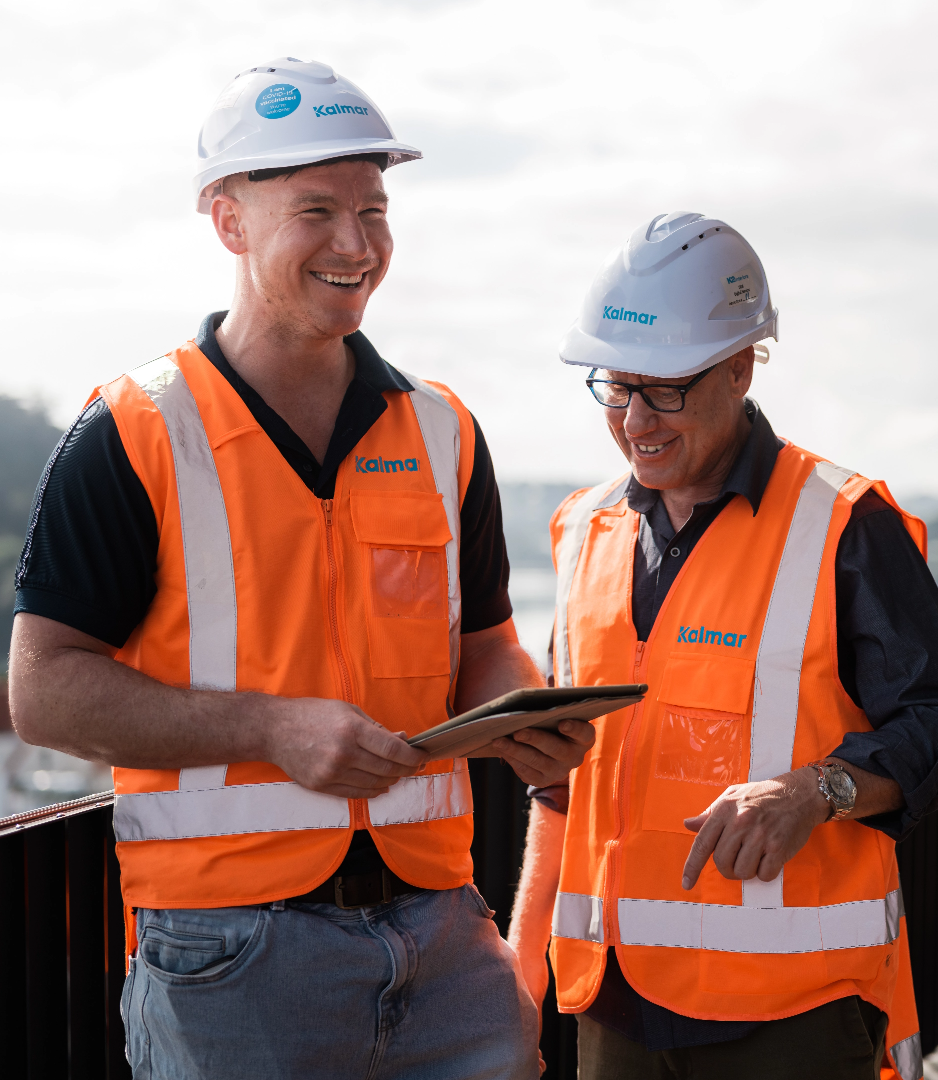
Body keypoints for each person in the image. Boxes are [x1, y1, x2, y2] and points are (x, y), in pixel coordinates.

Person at [8, 57, 595, 1080]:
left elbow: (485, 646)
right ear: (228, 222)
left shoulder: (445, 431)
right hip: (229, 956)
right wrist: (270, 728)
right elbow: (43, 692)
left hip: (445, 936)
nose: (356, 245)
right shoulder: (133, 431)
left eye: (373, 212)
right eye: (317, 211)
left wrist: (521, 716)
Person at [506, 211, 935, 1080]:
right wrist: (518, 970)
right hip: (611, 1010)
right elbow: (563, 790)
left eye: (665, 389)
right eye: (616, 388)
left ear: (741, 368)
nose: (636, 421)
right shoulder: (583, 531)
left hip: (793, 1018)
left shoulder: (844, 525)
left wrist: (816, 791)